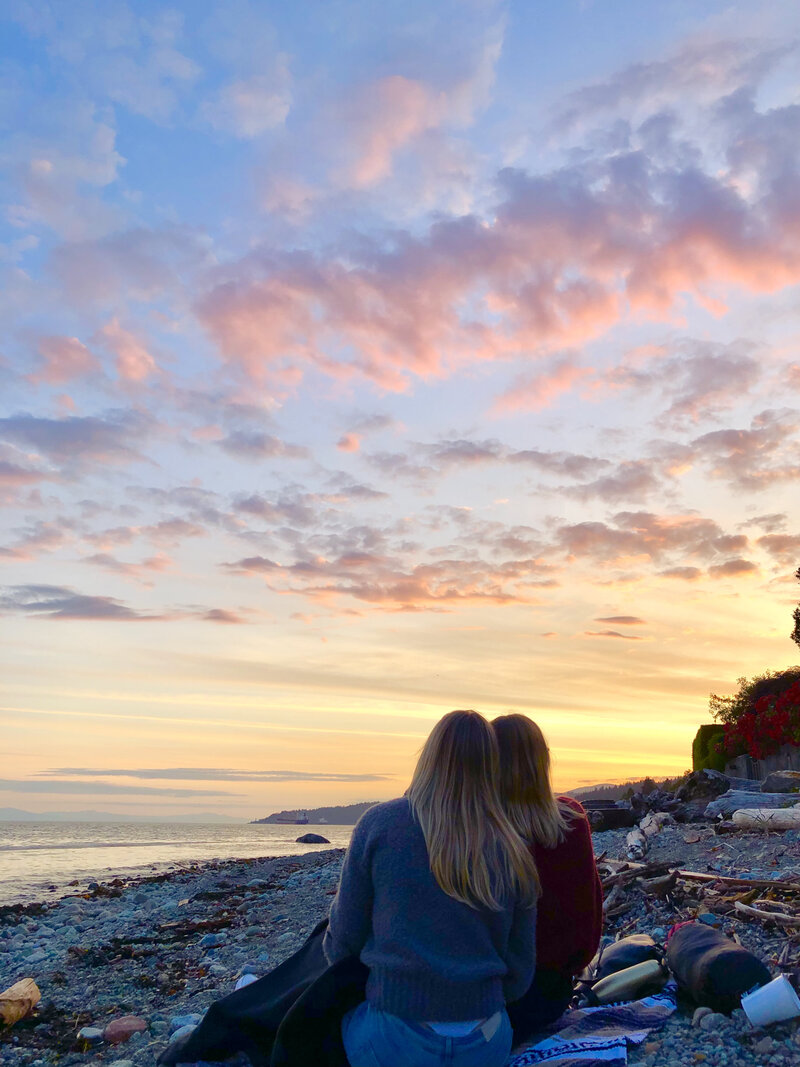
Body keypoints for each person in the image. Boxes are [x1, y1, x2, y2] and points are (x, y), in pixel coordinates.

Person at [323, 709, 540, 1067]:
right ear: (490, 766)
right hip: (485, 1042)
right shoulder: (513, 843)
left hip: (395, 1038)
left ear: (429, 757)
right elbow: (520, 971)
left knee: (326, 1029)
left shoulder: (380, 824)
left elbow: (342, 942)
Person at [492, 714, 603, 1043]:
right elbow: (589, 922)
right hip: (547, 999)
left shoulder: (478, 828)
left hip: (484, 999)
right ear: (542, 760)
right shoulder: (570, 820)